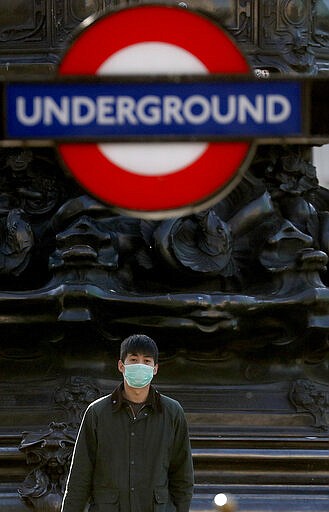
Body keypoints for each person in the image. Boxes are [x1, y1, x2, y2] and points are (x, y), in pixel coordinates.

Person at [61, 334, 194, 512]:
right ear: (121, 366)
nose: (140, 365)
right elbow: (80, 476)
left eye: (146, 361)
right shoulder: (98, 413)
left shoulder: (172, 412)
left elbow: (182, 476)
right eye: (133, 359)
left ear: (155, 368)